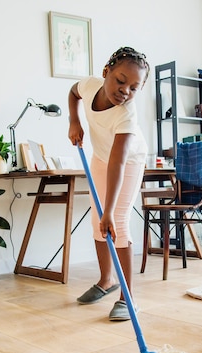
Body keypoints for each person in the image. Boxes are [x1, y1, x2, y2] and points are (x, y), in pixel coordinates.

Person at [68, 46, 150, 321]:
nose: (125, 90)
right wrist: (74, 121)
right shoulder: (91, 85)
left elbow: (118, 163)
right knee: (96, 222)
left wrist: (109, 211)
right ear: (106, 73)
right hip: (101, 156)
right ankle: (107, 280)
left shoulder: (126, 115)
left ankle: (128, 297)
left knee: (117, 221)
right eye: (120, 80)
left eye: (134, 88)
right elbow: (73, 92)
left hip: (128, 162)